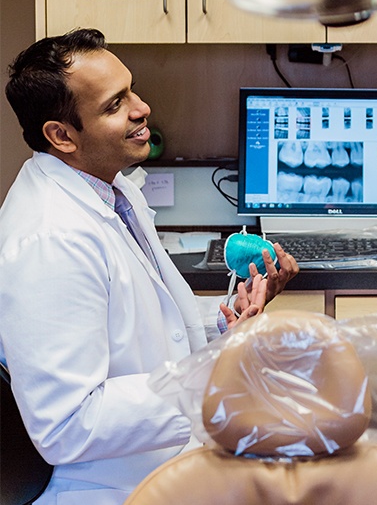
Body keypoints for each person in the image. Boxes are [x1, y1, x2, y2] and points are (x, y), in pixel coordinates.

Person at [0, 28, 299, 505]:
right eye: (115, 104)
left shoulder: (113, 189)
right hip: (113, 490)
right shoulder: (48, 239)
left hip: (171, 465)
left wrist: (226, 318)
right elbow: (67, 424)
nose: (142, 109)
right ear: (61, 135)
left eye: (131, 89)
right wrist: (221, 373)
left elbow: (146, 326)